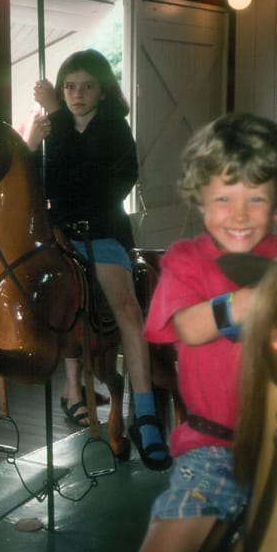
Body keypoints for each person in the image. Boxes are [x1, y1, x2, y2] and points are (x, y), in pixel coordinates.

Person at [137, 113, 277, 552]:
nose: (240, 215)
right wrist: (242, 303)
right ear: (200, 201)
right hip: (215, 448)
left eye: (257, 199)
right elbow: (186, 324)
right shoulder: (186, 259)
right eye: (224, 198)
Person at [26, 49, 171, 471]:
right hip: (60, 233)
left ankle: (144, 411)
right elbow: (39, 183)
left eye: (87, 85)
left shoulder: (114, 130)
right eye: (69, 86)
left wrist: (57, 127)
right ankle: (71, 389)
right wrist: (32, 147)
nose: (77, 94)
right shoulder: (53, 128)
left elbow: (103, 184)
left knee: (126, 307)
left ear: (103, 90)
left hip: (103, 231)